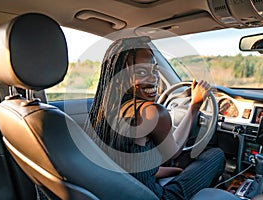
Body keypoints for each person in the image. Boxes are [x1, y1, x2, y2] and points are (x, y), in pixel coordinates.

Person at [85, 36, 225, 199]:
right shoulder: (152, 112)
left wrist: (174, 171)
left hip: (121, 191)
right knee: (215, 155)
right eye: (141, 72)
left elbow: (128, 166)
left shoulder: (104, 111)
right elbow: (175, 151)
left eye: (155, 70)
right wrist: (194, 106)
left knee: (182, 167)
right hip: (156, 196)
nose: (153, 79)